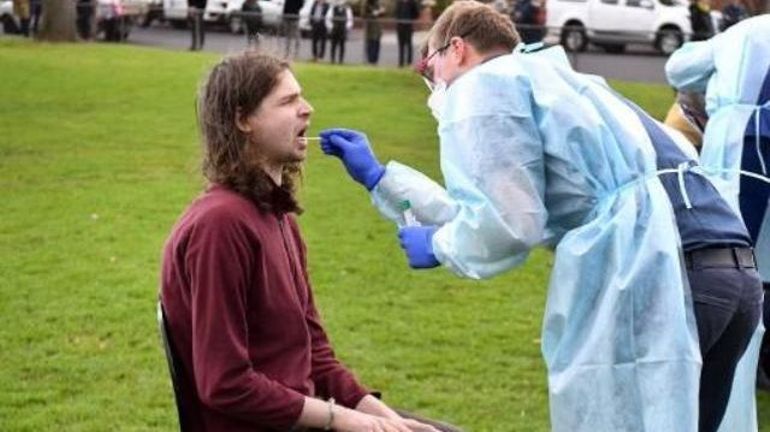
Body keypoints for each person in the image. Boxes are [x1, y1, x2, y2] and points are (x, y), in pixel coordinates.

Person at [319, 2, 762, 431]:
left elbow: (511, 222)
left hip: (664, 276)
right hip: (735, 275)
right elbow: (508, 204)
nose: (433, 84)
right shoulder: (568, 85)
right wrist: (381, 179)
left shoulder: (485, 85)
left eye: (429, 67)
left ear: (457, 49)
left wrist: (438, 245)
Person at [160, 51, 458, 432]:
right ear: (242, 119)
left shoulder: (277, 213)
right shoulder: (220, 225)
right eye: (288, 101)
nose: (307, 109)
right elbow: (224, 384)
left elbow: (315, 354)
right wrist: (345, 420)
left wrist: (385, 418)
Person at [666, 15, 770, 432]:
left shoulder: (745, 32)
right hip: (746, 156)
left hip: (741, 158)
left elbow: (679, 67)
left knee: (736, 276)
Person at [326, 0, 353, 64]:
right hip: (334, 30)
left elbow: (350, 19)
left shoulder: (347, 9)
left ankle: (341, 61)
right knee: (333, 46)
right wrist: (331, 27)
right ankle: (332, 60)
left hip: (343, 30)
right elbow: (328, 18)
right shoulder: (332, 8)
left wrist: (346, 27)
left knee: (342, 46)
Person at [395, 0, 420, 67]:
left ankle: (409, 62)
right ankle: (401, 63)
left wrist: (411, 19)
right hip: (400, 26)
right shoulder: (399, 2)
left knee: (408, 44)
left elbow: (416, 13)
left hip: (408, 26)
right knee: (401, 44)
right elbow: (396, 13)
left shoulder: (411, 3)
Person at [363, 0, 384, 65]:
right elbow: (363, 15)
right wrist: (373, 14)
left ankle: (375, 61)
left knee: (377, 44)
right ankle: (370, 61)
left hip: (378, 27)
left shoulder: (377, 3)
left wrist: (382, 11)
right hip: (370, 27)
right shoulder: (366, 4)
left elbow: (382, 13)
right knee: (371, 44)